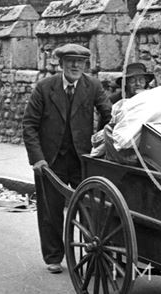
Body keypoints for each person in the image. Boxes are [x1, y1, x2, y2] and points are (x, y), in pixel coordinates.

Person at [22, 43, 112, 274]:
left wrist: (100, 142)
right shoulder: (44, 87)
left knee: (90, 208)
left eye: (79, 62)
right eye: (70, 61)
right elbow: (29, 125)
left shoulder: (92, 86)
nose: (75, 66)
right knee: (50, 211)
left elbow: (108, 114)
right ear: (60, 64)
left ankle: (93, 254)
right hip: (50, 161)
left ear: (85, 65)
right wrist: (37, 159)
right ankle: (53, 256)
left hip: (82, 159)